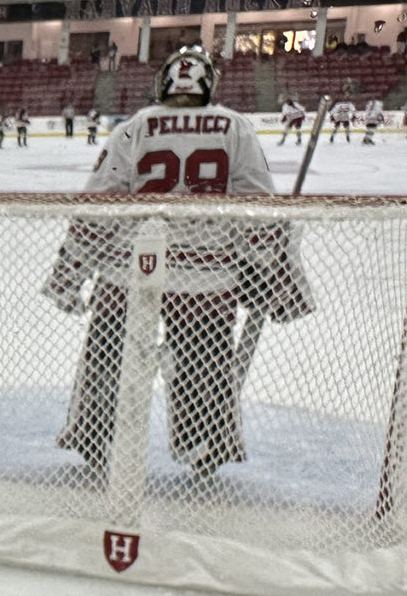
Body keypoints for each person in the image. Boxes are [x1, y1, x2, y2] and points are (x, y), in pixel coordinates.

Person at [44, 45, 310, 479]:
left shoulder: (134, 126)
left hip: (128, 269)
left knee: (109, 358)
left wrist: (69, 274)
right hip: (208, 275)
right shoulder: (235, 127)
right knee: (202, 367)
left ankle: (94, 437)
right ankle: (205, 443)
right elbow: (259, 206)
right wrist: (273, 278)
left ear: (164, 81)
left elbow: (99, 203)